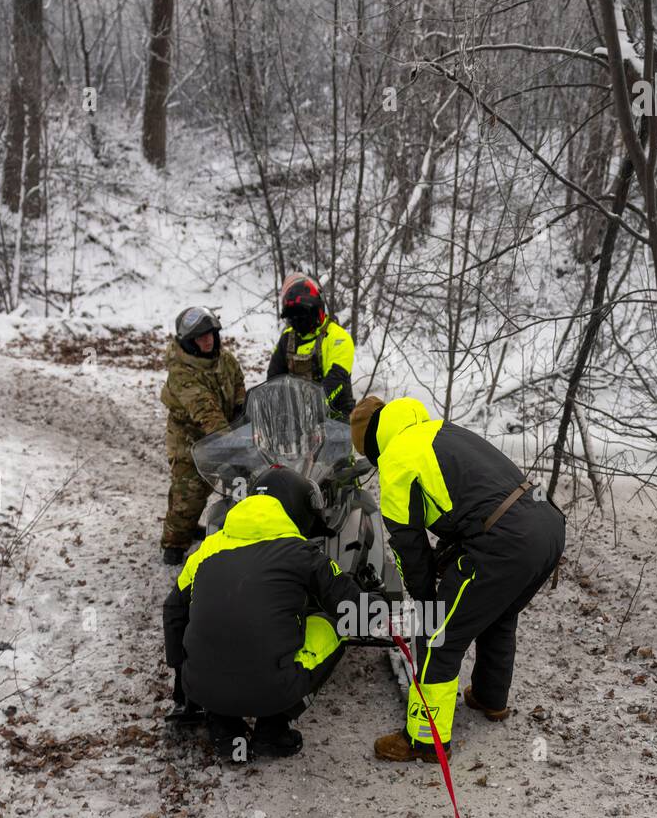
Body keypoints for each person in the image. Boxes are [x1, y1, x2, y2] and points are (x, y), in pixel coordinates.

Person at [349, 395, 565, 762]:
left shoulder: (397, 463)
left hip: (504, 542)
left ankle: (424, 741)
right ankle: (489, 698)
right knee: (496, 613)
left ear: (370, 443)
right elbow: (472, 503)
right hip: (547, 525)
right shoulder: (441, 431)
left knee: (438, 634)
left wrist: (426, 602)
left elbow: (408, 549)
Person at [163, 467, 381, 760]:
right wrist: (372, 594)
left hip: (199, 687)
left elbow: (173, 609)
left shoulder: (207, 549)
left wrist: (182, 683)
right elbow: (358, 615)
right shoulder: (301, 552)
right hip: (272, 691)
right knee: (334, 625)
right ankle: (274, 729)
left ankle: (224, 726)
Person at [160, 306, 246, 565]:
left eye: (210, 334)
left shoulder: (225, 359)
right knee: (190, 492)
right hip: (190, 441)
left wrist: (244, 412)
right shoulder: (181, 372)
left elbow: (239, 385)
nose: (208, 340)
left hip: (225, 433)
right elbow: (206, 411)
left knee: (242, 482)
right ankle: (173, 543)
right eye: (200, 337)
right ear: (189, 341)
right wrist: (234, 445)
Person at [267, 273, 355, 421]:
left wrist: (314, 407)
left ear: (315, 310)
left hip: (335, 418)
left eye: (300, 315)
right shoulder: (287, 338)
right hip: (295, 419)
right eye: (292, 316)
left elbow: (336, 380)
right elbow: (273, 378)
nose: (296, 321)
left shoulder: (338, 338)